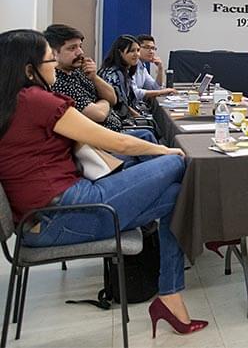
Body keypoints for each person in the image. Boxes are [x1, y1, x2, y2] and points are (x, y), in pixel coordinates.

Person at [0, 29, 207, 338]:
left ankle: (170, 296)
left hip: (49, 217)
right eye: (49, 58)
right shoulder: (35, 100)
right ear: (29, 70)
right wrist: (165, 151)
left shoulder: (15, 100)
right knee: (179, 161)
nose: (54, 65)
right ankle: (208, 235)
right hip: (64, 214)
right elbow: (116, 142)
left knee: (177, 195)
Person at [44, 24, 122, 131]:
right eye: (72, 48)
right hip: (98, 141)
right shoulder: (57, 81)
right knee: (146, 135)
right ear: (53, 53)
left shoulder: (79, 70)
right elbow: (98, 115)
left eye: (80, 46)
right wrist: (104, 101)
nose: (80, 52)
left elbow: (113, 99)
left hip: (119, 130)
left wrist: (94, 77)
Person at [99, 35, 143, 120]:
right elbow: (118, 105)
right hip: (116, 120)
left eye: (138, 50)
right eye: (132, 51)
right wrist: (139, 117)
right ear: (120, 52)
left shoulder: (125, 71)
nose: (136, 54)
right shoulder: (112, 74)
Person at [133, 34, 176, 104]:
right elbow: (134, 93)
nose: (151, 51)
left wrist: (160, 68)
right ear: (137, 48)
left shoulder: (142, 66)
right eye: (147, 47)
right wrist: (162, 91)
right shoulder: (131, 65)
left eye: (153, 48)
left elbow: (155, 88)